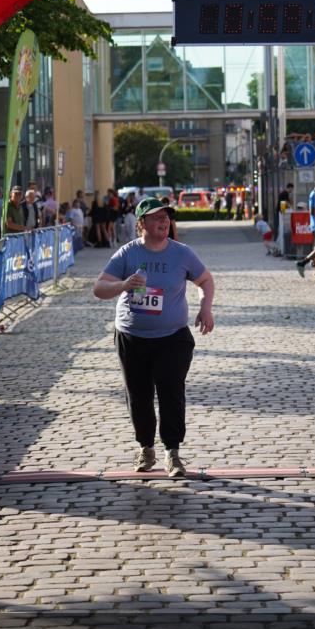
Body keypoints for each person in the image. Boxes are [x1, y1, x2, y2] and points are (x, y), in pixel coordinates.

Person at [92, 197, 215, 479]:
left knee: (171, 391)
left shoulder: (182, 253)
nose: (164, 222)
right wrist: (123, 285)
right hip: (131, 336)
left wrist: (205, 308)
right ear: (141, 224)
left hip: (173, 337)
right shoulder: (127, 254)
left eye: (167, 217)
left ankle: (172, 452)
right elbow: (99, 288)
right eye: (156, 217)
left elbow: (205, 280)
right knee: (139, 395)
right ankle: (146, 448)